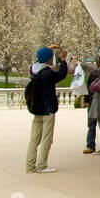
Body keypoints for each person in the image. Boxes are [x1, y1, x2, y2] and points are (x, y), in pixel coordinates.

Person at [26, 45, 70, 174]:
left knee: (34, 140)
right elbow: (62, 74)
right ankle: (41, 165)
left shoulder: (33, 70)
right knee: (46, 139)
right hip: (48, 109)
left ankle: (29, 166)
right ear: (48, 59)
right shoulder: (48, 73)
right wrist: (63, 60)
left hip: (36, 109)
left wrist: (49, 48)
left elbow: (39, 58)